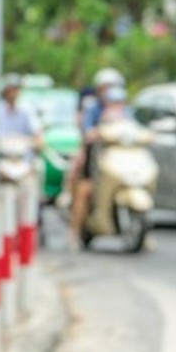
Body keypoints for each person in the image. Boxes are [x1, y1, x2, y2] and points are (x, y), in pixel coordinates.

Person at [69, 68, 125, 240]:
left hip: (119, 159)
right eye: (105, 87)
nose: (108, 91)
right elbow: (87, 131)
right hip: (95, 157)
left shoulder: (124, 109)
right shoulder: (92, 108)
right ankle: (75, 231)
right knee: (85, 190)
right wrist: (95, 133)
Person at [0, 75, 43, 150]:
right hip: (1, 155)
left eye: (15, 89)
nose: (13, 92)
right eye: (10, 89)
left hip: (24, 156)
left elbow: (36, 130)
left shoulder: (27, 109)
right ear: (5, 91)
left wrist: (38, 139)